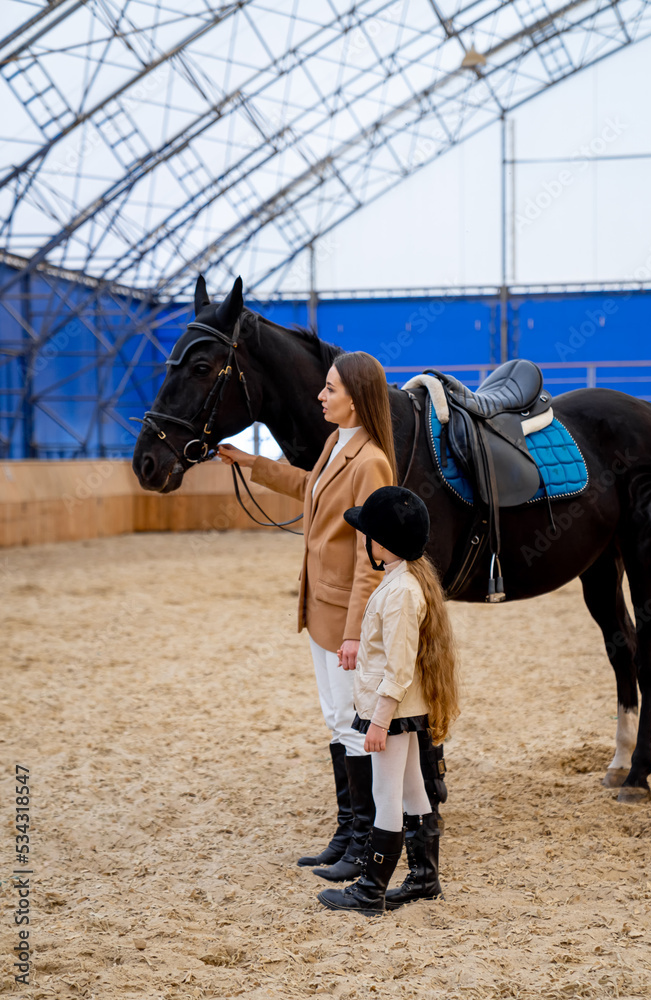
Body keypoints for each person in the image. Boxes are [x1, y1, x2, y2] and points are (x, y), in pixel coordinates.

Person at [217, 351, 396, 882]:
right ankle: (348, 830)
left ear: (356, 398)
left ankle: (364, 840)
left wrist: (354, 634)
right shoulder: (335, 444)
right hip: (317, 605)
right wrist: (250, 463)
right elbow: (307, 487)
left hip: (344, 614)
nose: (321, 395)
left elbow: (370, 556)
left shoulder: (372, 462)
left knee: (351, 722)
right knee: (335, 719)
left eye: (331, 389)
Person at [317, 486, 459, 916]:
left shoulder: (400, 593)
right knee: (415, 791)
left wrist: (378, 722)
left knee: (386, 795)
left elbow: (398, 667)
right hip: (407, 708)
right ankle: (424, 878)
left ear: (380, 542)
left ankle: (371, 890)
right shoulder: (406, 579)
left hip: (394, 712)